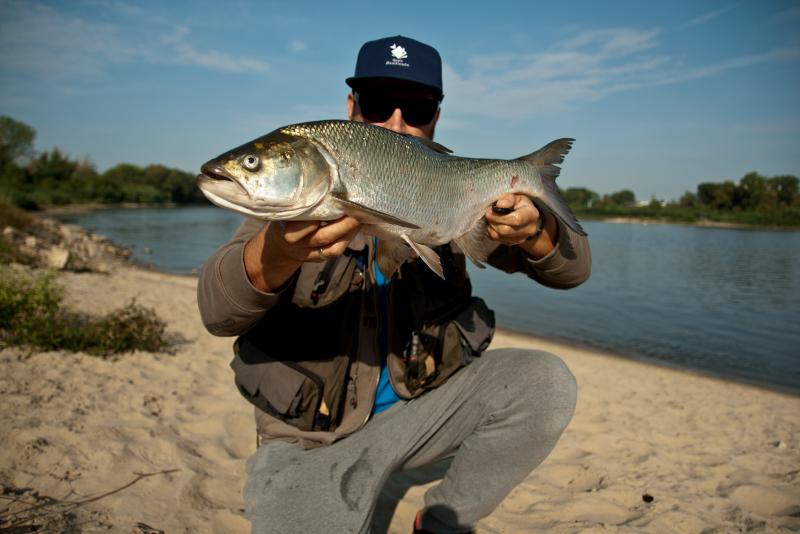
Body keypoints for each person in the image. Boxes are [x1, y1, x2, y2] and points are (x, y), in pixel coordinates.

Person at [197, 35, 591, 534]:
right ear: (352, 107)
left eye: (418, 108)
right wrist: (276, 253)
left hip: (421, 414)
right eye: (379, 103)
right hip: (310, 439)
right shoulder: (282, 216)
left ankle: (440, 521)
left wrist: (535, 230)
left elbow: (573, 271)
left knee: (545, 382)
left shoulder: (460, 197)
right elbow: (217, 313)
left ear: (437, 116)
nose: (397, 123)